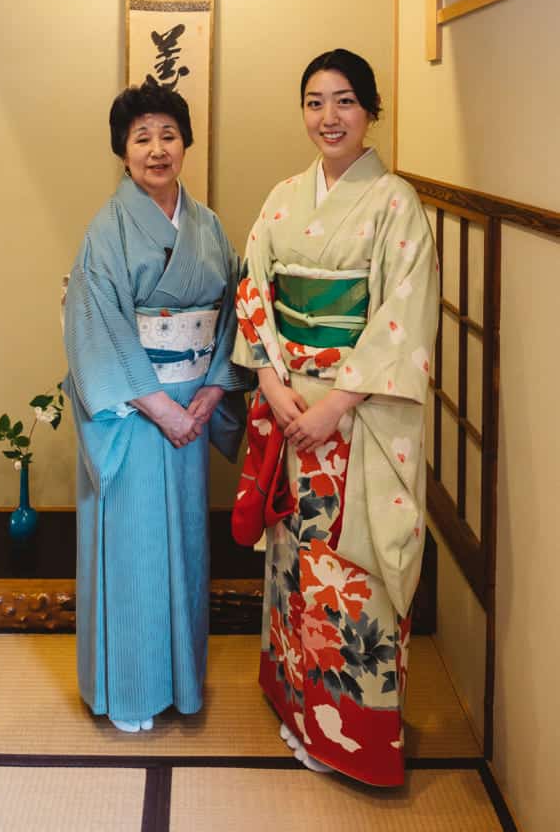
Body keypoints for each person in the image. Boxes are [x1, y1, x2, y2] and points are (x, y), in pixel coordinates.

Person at [232, 48, 439, 786]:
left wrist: (335, 404)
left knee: (353, 574)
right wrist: (271, 381)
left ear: (371, 111)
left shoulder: (395, 202)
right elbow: (253, 290)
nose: (329, 116)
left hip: (356, 420)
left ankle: (354, 738)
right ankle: (299, 713)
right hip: (291, 410)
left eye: (345, 101)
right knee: (295, 567)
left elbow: (402, 320)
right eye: (315, 102)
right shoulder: (284, 197)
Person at [63, 80, 249, 733]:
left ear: (185, 143)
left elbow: (235, 313)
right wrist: (162, 408)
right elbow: (97, 328)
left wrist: (212, 391)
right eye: (141, 137)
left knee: (187, 549)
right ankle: (131, 690)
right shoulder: (106, 231)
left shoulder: (208, 226)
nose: (156, 149)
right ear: (123, 151)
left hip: (193, 407)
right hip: (135, 412)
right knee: (134, 548)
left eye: (168, 134)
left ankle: (180, 684)